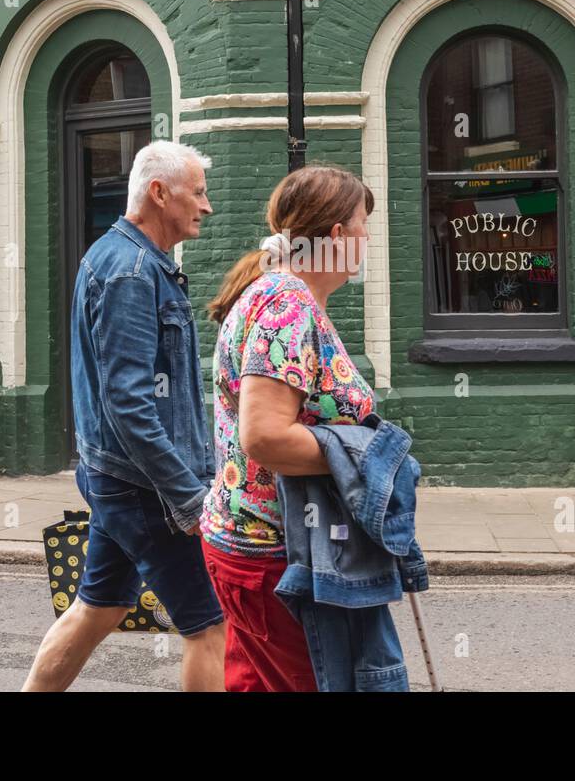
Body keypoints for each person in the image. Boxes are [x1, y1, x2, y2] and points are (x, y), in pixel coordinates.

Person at [23, 140, 226, 692]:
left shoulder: (124, 259)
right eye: (198, 193)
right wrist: (187, 494)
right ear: (159, 194)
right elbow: (128, 404)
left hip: (123, 478)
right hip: (144, 487)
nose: (206, 207)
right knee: (210, 628)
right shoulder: (132, 273)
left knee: (100, 608)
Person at [200, 164, 376, 691]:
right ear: (340, 236)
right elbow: (265, 436)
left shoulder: (276, 292)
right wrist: (367, 454)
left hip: (250, 547)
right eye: (365, 225)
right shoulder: (287, 303)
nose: (369, 239)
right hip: (276, 556)